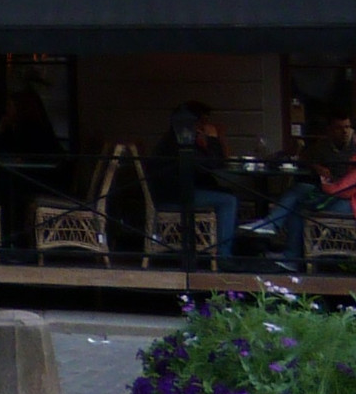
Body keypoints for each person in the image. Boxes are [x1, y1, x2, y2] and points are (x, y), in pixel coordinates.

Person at [249, 118, 356, 272]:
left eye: (349, 128)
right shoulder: (323, 146)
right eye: (341, 127)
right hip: (342, 197)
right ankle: (288, 252)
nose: (346, 132)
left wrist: (324, 183)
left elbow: (341, 190)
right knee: (300, 194)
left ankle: (279, 237)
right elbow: (306, 158)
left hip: (349, 204)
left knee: (299, 196)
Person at [150, 103, 238, 262]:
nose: (204, 126)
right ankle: (225, 255)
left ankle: (229, 245)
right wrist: (212, 140)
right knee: (228, 201)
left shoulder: (176, 138)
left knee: (228, 194)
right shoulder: (182, 141)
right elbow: (212, 164)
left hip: (177, 191)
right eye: (202, 122)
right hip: (175, 197)